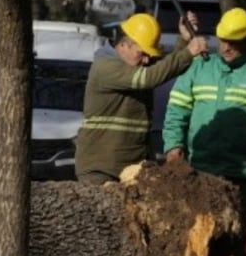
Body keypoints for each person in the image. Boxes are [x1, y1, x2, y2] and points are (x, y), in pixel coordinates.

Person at [162, 7, 246, 229]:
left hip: (241, 173)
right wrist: (173, 144)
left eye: (234, 41)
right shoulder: (198, 68)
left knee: (233, 234)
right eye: (223, 40)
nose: (226, 47)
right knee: (198, 233)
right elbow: (177, 109)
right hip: (200, 169)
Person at [74, 12, 207, 184]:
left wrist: (184, 40)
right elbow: (149, 77)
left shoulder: (134, 65)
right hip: (100, 170)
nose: (145, 60)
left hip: (132, 169)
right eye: (142, 53)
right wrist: (189, 52)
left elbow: (165, 68)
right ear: (124, 44)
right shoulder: (105, 67)